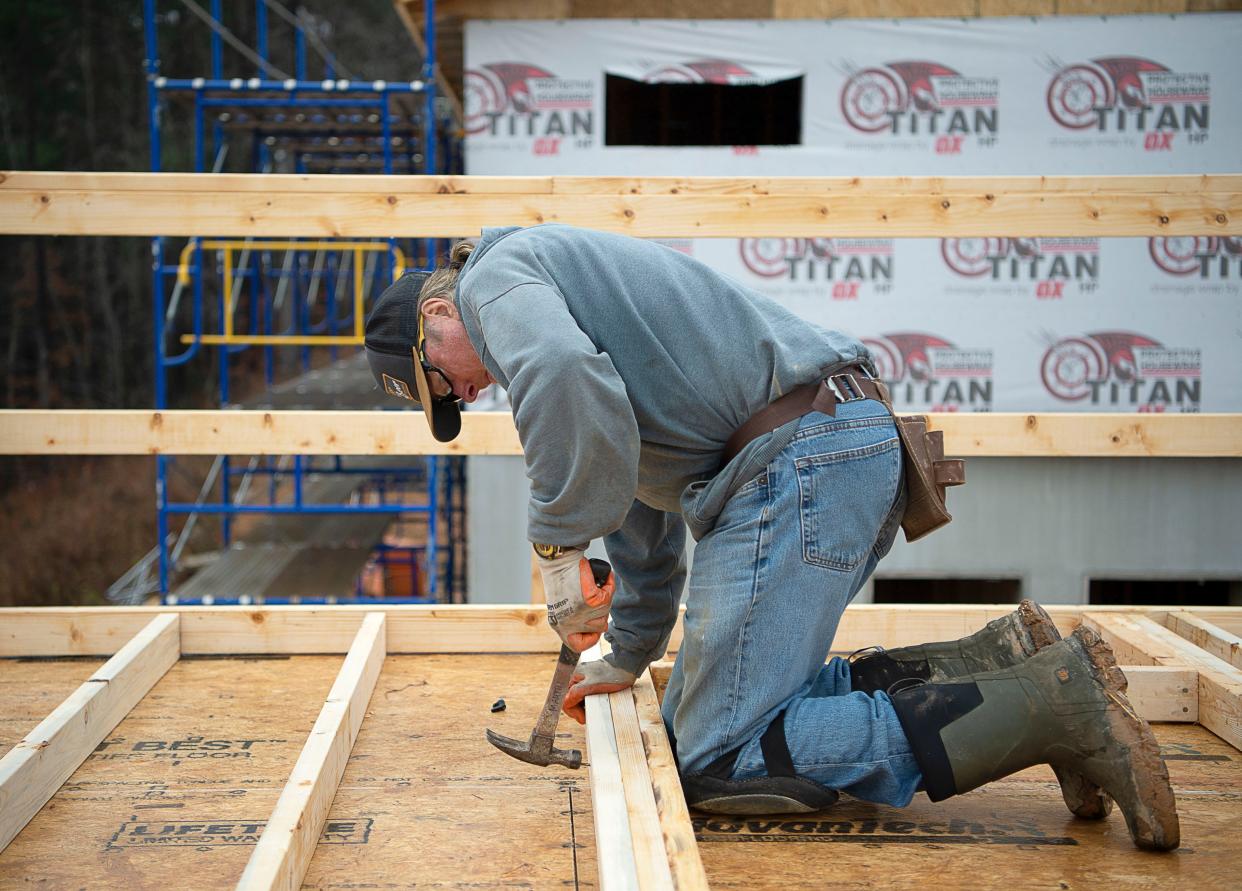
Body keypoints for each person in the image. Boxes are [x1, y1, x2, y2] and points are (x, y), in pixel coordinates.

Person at [364, 224, 1178, 850]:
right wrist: (632, 648)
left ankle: (1055, 706)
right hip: (814, 451)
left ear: (440, 313)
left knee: (716, 755)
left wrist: (557, 553)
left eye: (443, 382)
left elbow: (565, 383)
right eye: (451, 404)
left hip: (799, 461)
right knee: (695, 722)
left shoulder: (497, 281)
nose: (464, 396)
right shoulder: (557, 298)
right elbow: (639, 494)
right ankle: (1000, 660)